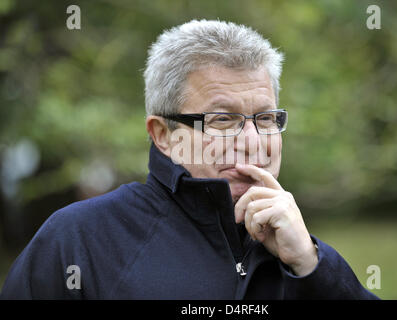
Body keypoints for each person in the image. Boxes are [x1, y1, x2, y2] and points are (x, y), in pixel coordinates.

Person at [1, 20, 378, 299]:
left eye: (265, 119)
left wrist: (313, 266)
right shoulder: (78, 240)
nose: (251, 142)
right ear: (164, 135)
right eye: (223, 120)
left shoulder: (299, 253)